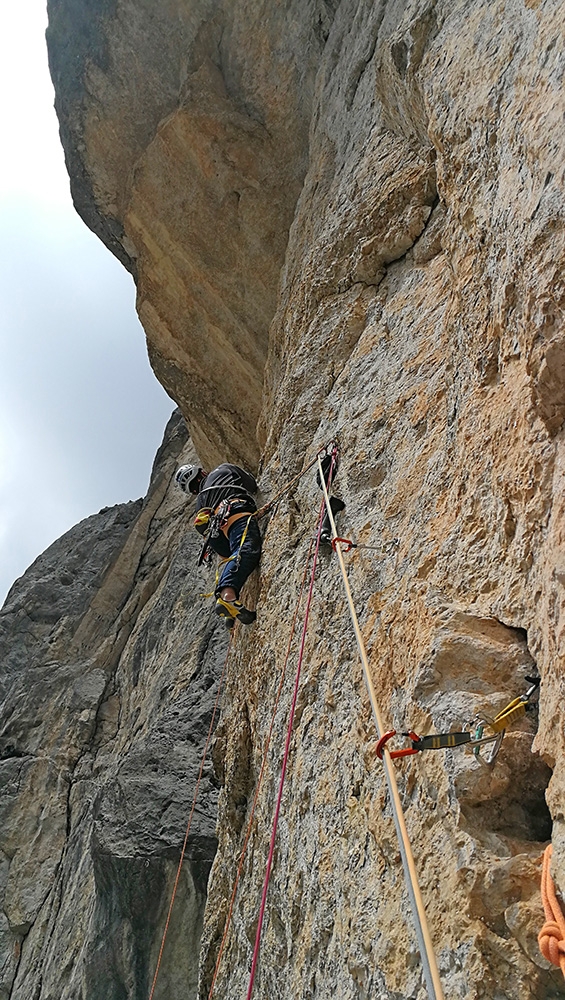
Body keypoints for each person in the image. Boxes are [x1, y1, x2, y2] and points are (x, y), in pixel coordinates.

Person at [175, 462, 261, 625]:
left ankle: (230, 611)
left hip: (216, 531)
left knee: (231, 556)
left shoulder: (200, 503)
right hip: (234, 511)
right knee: (246, 548)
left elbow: (222, 554)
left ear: (193, 491)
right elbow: (252, 485)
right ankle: (227, 595)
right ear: (202, 472)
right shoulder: (223, 469)